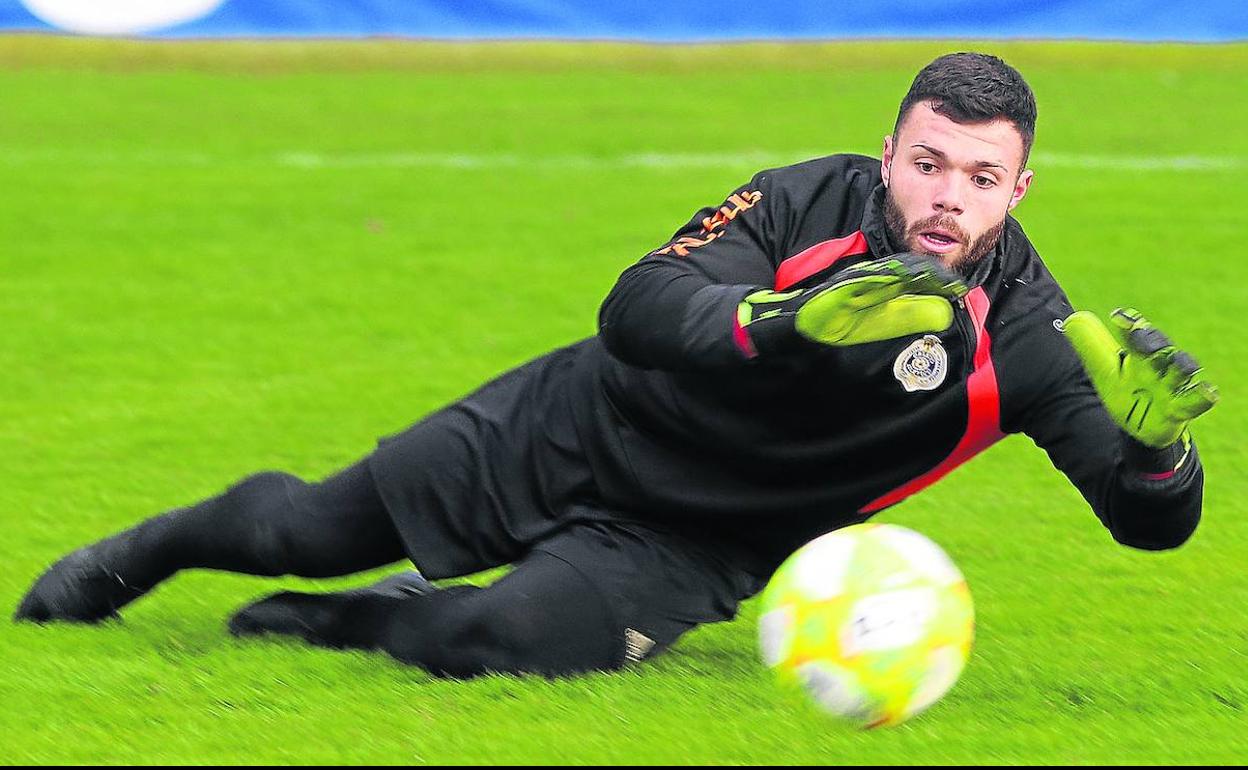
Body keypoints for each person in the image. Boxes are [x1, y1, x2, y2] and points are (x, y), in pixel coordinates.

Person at [15, 52, 1217, 678]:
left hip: (693, 543)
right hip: (579, 418)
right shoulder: (804, 201)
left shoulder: (1031, 340)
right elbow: (639, 301)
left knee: (489, 648)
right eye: (929, 163)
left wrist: (1160, 453)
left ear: (1021, 187)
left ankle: (366, 625)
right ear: (890, 152)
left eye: (980, 176)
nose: (948, 198)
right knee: (302, 526)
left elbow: (1143, 523)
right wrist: (784, 321)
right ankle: (145, 551)